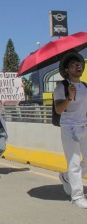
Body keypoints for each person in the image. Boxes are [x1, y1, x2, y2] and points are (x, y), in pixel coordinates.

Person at [54, 51, 87, 209]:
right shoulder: (62, 87)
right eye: (73, 65)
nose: (78, 66)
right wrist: (69, 97)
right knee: (74, 162)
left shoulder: (85, 86)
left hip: (84, 127)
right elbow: (59, 110)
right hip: (69, 128)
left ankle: (66, 177)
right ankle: (77, 196)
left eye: (79, 64)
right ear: (67, 70)